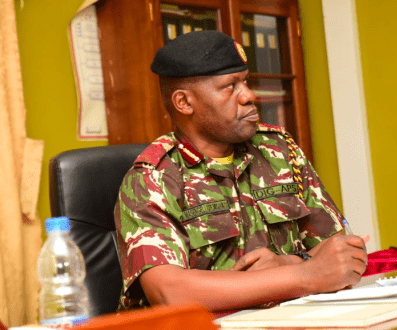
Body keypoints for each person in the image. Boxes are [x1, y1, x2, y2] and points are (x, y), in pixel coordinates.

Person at [114, 30, 369, 312]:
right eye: (229, 87)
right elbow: (169, 291)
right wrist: (303, 275)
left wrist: (287, 262)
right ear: (184, 103)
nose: (249, 95)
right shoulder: (152, 178)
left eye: (245, 81)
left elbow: (339, 254)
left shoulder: (279, 151)